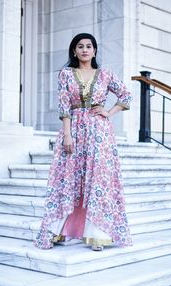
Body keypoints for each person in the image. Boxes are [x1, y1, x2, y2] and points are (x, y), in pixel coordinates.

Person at [34, 33, 133, 251]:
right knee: (68, 177)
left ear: (95, 51)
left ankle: (97, 234)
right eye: (80, 46)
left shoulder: (105, 74)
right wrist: (67, 134)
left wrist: (109, 112)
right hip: (74, 130)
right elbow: (63, 105)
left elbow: (126, 95)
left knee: (97, 179)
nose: (85, 49)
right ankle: (56, 230)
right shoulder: (66, 74)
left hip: (99, 132)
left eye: (89, 46)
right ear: (74, 51)